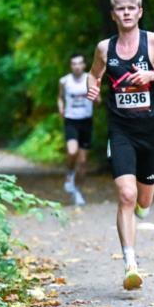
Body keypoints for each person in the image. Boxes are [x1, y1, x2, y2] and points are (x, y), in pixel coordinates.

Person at [86, 0, 154, 290]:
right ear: (113, 14)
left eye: (132, 7)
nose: (127, 12)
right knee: (126, 195)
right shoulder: (105, 48)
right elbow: (94, 74)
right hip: (121, 131)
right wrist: (93, 88)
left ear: (140, 11)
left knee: (143, 199)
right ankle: (130, 263)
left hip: (151, 133)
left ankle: (142, 209)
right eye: (121, 8)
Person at [59, 52, 97, 206]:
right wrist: (61, 108)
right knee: (72, 151)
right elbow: (60, 97)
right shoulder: (64, 81)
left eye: (79, 63)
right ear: (71, 66)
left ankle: (78, 191)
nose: (76, 66)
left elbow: (97, 100)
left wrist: (97, 97)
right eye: (74, 63)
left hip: (86, 121)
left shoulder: (90, 79)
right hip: (71, 120)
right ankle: (69, 173)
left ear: (84, 65)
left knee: (82, 162)